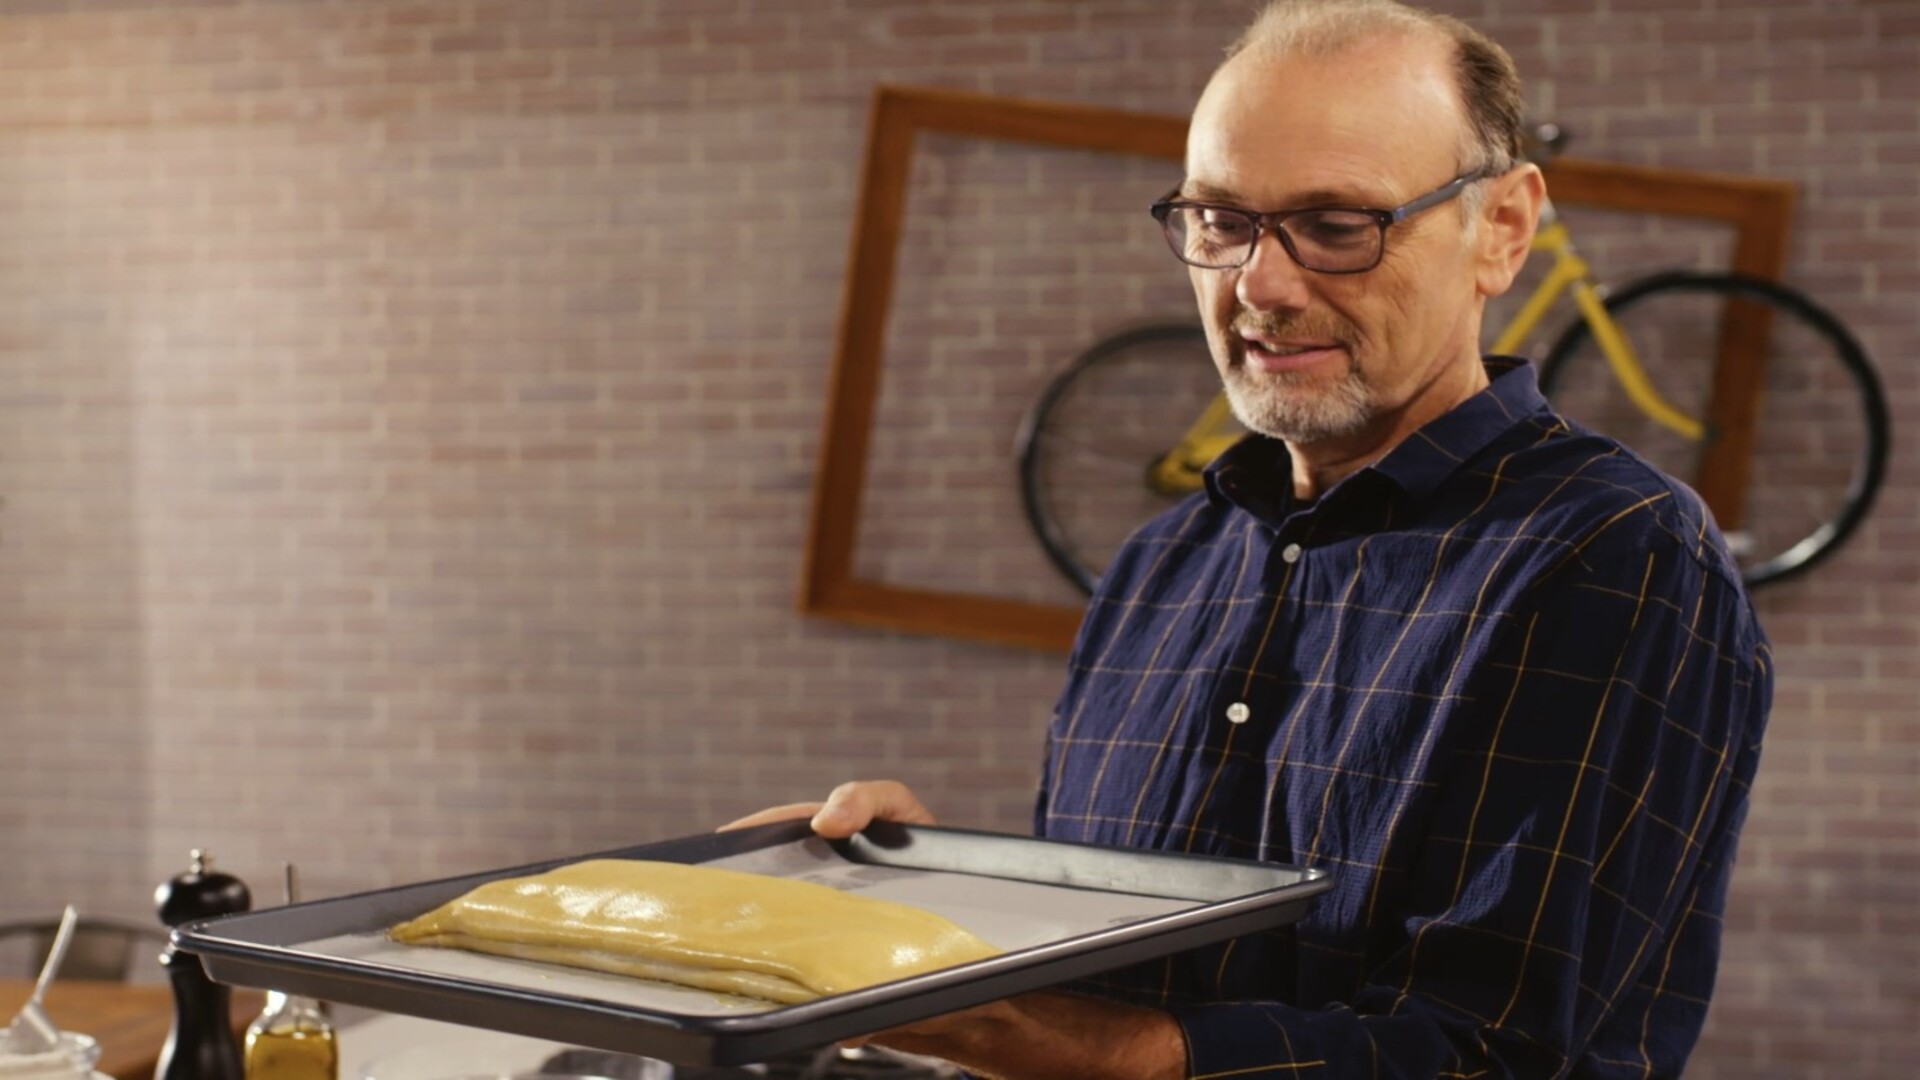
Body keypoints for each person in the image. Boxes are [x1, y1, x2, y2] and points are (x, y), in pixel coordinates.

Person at [730, 1, 1772, 1076]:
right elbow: (1110, 980)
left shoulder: (1614, 553)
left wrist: (1022, 1038)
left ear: (1501, 229)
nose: (1260, 287)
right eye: (1221, 221)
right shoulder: (1160, 566)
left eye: (1336, 225)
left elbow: (1486, 1055)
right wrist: (922, 903)